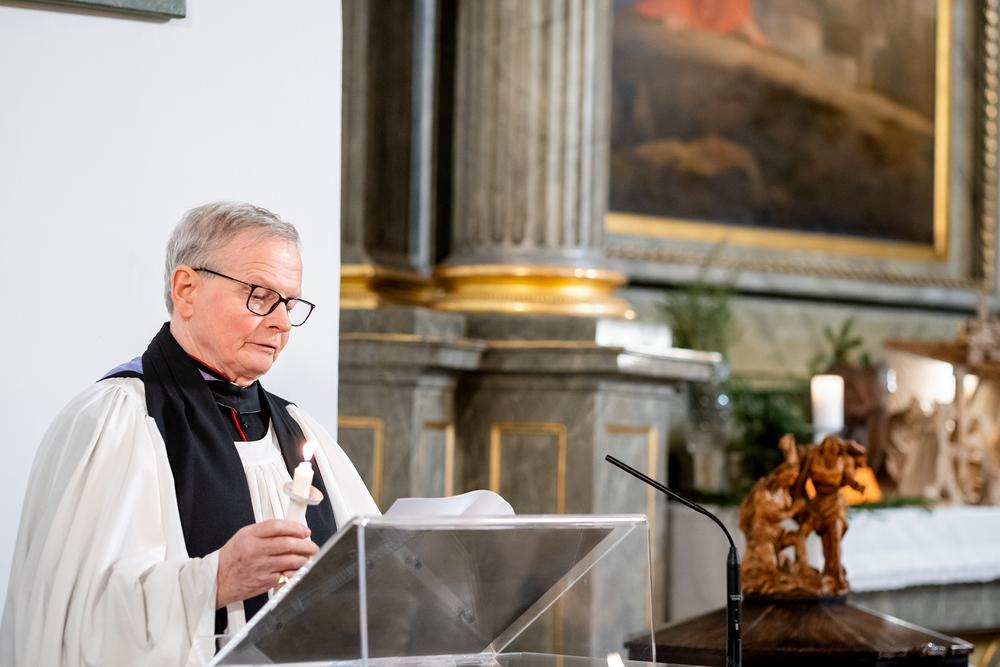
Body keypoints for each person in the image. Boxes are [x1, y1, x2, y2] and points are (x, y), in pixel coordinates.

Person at [0, 202, 379, 667]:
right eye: (260, 296)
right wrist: (214, 581)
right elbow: (72, 620)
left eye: (290, 303)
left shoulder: (299, 431)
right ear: (186, 290)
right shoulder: (117, 421)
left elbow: (373, 581)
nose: (281, 323)